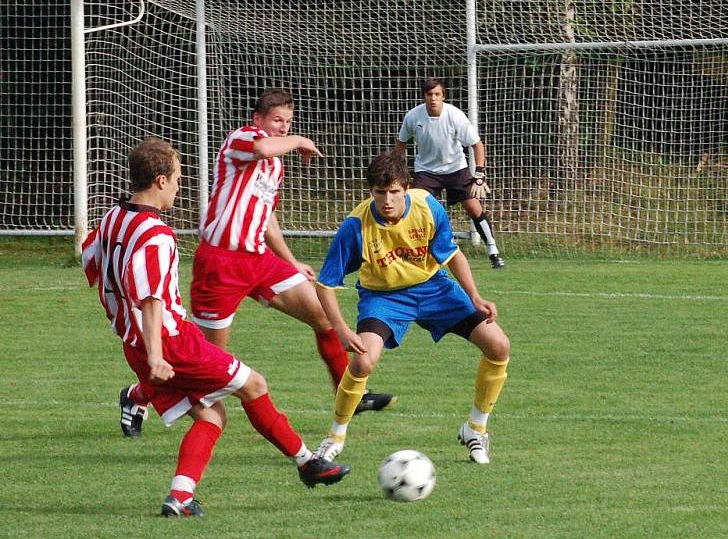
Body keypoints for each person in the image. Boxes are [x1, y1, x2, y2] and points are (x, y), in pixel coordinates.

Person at [83, 137, 350, 516]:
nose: (180, 185)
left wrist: (125, 321)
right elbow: (151, 297)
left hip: (134, 345)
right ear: (160, 181)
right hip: (169, 342)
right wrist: (159, 354)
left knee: (212, 415)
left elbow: (90, 262)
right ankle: (308, 463)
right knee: (254, 385)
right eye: (177, 177)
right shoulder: (157, 235)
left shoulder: (113, 218)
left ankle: (180, 498)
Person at [119, 89, 394, 438]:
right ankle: (136, 395)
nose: (282, 128)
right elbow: (265, 147)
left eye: (289, 123)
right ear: (258, 120)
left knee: (322, 316)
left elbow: (266, 218)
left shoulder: (274, 165)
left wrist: (291, 262)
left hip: (258, 261)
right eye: (277, 121)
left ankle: (351, 395)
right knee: (208, 362)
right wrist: (298, 139)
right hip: (220, 263)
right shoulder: (243, 138)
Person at [313, 150, 510, 465]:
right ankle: (334, 437)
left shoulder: (427, 206)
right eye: (380, 193)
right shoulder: (355, 226)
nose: (388, 200)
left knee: (499, 345)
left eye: (394, 192)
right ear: (370, 191)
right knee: (363, 362)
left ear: (406, 187)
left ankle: (476, 429)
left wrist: (474, 296)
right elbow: (325, 284)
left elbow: (452, 253)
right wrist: (342, 329)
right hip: (384, 297)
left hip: (434, 288)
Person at [395, 77, 505, 269]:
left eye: (437, 94)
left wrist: (479, 175)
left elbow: (477, 145)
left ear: (443, 96)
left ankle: (494, 252)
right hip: (426, 172)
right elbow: (401, 143)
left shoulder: (455, 115)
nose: (433, 98)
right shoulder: (413, 116)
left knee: (474, 208)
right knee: (418, 211)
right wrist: (398, 170)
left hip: (456, 169)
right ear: (424, 96)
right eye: (429, 94)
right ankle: (416, 254)